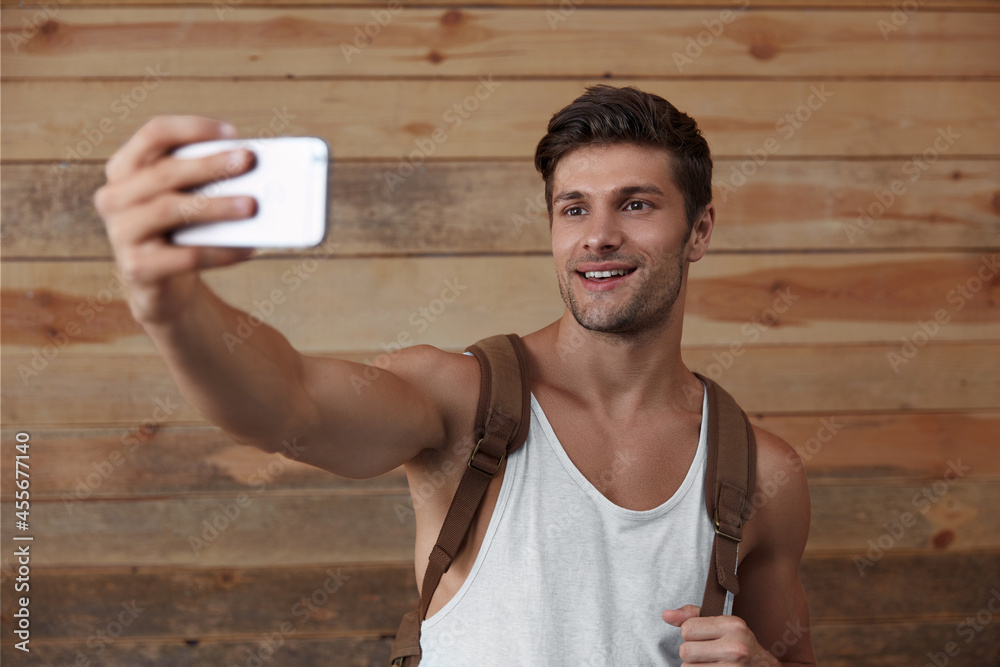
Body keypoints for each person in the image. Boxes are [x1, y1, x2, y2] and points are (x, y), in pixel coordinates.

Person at [95, 84, 815, 665]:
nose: (599, 234)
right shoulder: (461, 398)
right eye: (574, 207)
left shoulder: (760, 472)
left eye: (635, 203)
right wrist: (171, 305)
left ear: (700, 231)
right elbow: (290, 408)